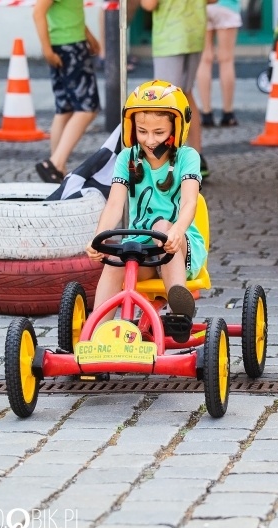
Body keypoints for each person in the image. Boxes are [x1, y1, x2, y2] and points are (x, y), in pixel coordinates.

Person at [86, 80, 206, 342]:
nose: (150, 140)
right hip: (141, 249)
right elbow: (115, 204)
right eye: (142, 131)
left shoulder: (187, 158)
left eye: (159, 132)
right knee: (117, 261)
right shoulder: (127, 158)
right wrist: (100, 236)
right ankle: (94, 337)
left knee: (161, 228)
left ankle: (178, 313)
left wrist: (176, 231)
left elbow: (190, 203)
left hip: (178, 245)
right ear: (132, 128)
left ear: (176, 128)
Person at [141, 0, 213, 178]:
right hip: (194, 33)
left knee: (166, 100)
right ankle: (196, 157)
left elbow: (149, 4)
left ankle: (165, 160)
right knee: (186, 93)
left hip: (170, 36)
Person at [33, 0, 101, 183]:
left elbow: (70, 13)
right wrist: (46, 50)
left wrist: (88, 35)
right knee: (87, 109)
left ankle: (57, 170)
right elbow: (38, 12)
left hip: (66, 45)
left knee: (65, 109)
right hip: (70, 48)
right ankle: (55, 163)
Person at [196, 0, 242, 127]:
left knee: (204, 60)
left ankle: (206, 114)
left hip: (201, 6)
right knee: (226, 60)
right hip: (227, 6)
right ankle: (228, 114)